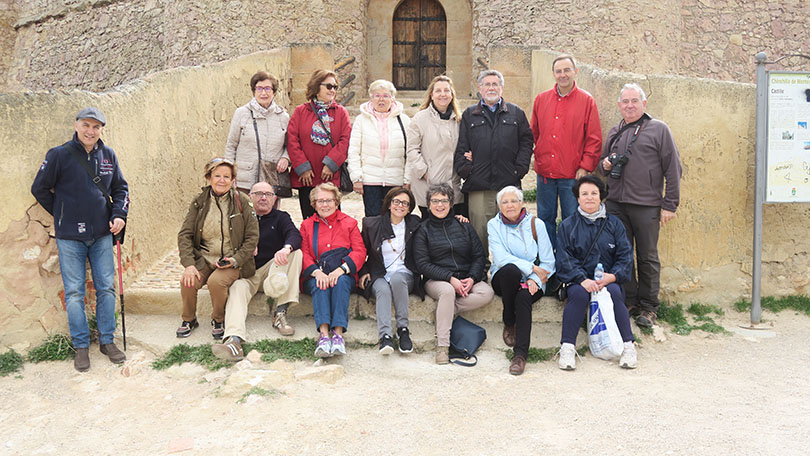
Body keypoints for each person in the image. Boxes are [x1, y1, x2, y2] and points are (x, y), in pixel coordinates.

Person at [31, 107, 130, 372]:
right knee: (75, 292)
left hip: (101, 235)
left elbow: (121, 189)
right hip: (70, 237)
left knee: (106, 288)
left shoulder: (108, 155)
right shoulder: (59, 155)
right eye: (86, 125)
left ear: (101, 130)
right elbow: (39, 188)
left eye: (96, 127)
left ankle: (107, 341)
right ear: (76, 126)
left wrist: (119, 214)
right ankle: (81, 346)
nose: (90, 131)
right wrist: (62, 212)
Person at [598, 83, 682, 328]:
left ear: (644, 104)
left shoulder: (659, 129)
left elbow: (673, 168)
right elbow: (602, 167)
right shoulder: (615, 131)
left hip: (647, 205)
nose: (630, 105)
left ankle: (649, 307)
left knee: (647, 257)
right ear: (619, 105)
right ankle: (629, 300)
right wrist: (605, 165)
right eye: (625, 101)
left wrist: (670, 205)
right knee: (622, 256)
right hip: (616, 204)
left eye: (634, 101)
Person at [212, 182, 303, 361]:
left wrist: (286, 248)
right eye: (259, 194)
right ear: (250, 197)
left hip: (272, 271)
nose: (263, 198)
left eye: (268, 194)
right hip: (248, 273)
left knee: (296, 253)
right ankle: (234, 340)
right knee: (237, 288)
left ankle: (280, 312)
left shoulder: (281, 217)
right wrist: (244, 248)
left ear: (274, 199)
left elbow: (295, 235)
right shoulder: (241, 218)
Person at [555, 175, 637, 370]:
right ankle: (567, 348)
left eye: (594, 193)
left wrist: (613, 276)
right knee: (577, 295)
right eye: (584, 194)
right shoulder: (567, 225)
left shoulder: (614, 224)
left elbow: (626, 256)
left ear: (601, 196)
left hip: (607, 278)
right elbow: (564, 259)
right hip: (579, 280)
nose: (589, 197)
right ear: (578, 198)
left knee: (615, 292)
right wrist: (582, 279)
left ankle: (628, 346)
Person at [177, 158, 259, 340]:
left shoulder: (242, 201)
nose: (222, 180)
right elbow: (185, 234)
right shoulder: (199, 202)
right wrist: (189, 264)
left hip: (231, 260)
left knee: (216, 282)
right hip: (204, 258)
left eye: (226, 177)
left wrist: (236, 259)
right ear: (209, 178)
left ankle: (218, 319)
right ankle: (189, 319)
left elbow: (252, 238)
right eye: (217, 176)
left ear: (233, 180)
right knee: (188, 281)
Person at [413, 183, 494, 364]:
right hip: (437, 279)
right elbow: (422, 264)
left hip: (466, 276)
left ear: (451, 203)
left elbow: (478, 256)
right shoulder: (423, 229)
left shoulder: (464, 225)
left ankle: (447, 310)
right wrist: (450, 278)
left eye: (444, 201)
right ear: (428, 204)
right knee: (447, 291)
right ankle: (442, 347)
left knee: (487, 293)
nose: (439, 205)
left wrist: (472, 278)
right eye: (435, 201)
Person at [454, 69, 533, 256]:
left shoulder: (516, 113)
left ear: (501, 87)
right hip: (479, 185)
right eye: (487, 84)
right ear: (480, 88)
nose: (491, 88)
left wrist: (520, 169)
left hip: (508, 183)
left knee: (510, 229)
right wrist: (467, 170)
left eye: (495, 84)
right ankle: (481, 268)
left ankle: (508, 267)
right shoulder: (469, 115)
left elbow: (527, 142)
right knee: (479, 232)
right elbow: (462, 145)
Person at [530, 54, 602, 250]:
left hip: (572, 174)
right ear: (553, 74)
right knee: (545, 218)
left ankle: (570, 258)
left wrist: (585, 167)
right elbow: (534, 132)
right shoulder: (541, 99)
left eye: (567, 70)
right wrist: (540, 157)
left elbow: (594, 138)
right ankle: (548, 258)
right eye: (559, 71)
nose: (563, 75)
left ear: (575, 72)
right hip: (545, 173)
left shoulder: (586, 101)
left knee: (572, 218)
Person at [487, 186, 555, 375]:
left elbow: (548, 261)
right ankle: (509, 320)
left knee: (523, 297)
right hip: (504, 278)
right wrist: (531, 268)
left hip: (534, 280)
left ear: (522, 203)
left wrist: (534, 279)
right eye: (505, 202)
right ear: (499, 206)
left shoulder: (536, 224)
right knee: (511, 271)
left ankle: (520, 356)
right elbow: (500, 259)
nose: (509, 205)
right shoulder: (493, 225)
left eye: (513, 201)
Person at [300, 182, 366, 357]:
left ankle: (338, 334)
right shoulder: (307, 225)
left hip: (343, 274)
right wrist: (317, 272)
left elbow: (360, 251)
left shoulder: (349, 223)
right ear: (314, 204)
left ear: (336, 202)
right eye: (320, 201)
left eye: (329, 200)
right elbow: (304, 253)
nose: (325, 205)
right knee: (320, 284)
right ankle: (323, 335)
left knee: (341, 282)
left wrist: (341, 270)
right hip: (316, 273)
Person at [358, 187, 421, 355]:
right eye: (396, 201)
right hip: (379, 273)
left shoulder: (415, 223)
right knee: (383, 289)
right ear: (388, 203)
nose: (400, 206)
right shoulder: (372, 224)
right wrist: (363, 271)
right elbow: (360, 250)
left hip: (405, 274)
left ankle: (403, 330)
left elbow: (436, 222)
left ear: (410, 207)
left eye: (405, 203)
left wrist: (458, 217)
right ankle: (385, 336)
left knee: (397, 279)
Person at [287, 70, 352, 219]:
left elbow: (345, 140)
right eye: (329, 86)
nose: (332, 90)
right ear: (317, 87)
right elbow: (292, 140)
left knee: (332, 219)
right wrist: (302, 167)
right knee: (309, 219)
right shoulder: (301, 111)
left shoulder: (341, 112)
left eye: (335, 87)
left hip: (330, 177)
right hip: (307, 177)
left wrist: (331, 164)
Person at [347, 79, 411, 217]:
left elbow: (410, 153)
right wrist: (356, 177)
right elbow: (354, 151)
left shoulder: (404, 120)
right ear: (371, 98)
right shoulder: (361, 120)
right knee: (373, 220)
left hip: (395, 180)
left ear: (392, 98)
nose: (381, 99)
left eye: (386, 95)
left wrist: (407, 179)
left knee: (395, 219)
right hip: (370, 181)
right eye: (377, 95)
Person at [406, 75, 465, 218]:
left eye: (446, 90)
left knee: (453, 225)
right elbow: (412, 150)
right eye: (438, 91)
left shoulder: (459, 120)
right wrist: (425, 173)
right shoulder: (419, 119)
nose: (442, 94)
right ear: (431, 95)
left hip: (453, 184)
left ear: (452, 95)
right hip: (427, 184)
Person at [225, 71, 291, 193]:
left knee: (270, 205)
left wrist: (286, 158)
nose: (263, 93)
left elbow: (290, 145)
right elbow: (231, 145)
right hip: (244, 179)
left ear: (274, 92)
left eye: (267, 88)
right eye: (259, 88)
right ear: (254, 91)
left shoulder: (283, 117)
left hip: (272, 179)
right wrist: (229, 173)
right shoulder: (241, 113)